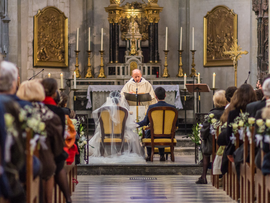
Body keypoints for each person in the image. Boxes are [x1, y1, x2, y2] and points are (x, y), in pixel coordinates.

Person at [17, 80, 65, 203]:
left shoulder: (14, 112)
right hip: (42, 164)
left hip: (15, 164)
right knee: (49, 164)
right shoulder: (50, 115)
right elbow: (58, 148)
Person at [88, 91, 144, 163]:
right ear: (120, 99)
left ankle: (104, 154)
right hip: (121, 135)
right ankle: (125, 153)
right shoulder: (124, 111)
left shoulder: (104, 110)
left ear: (110, 99)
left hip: (106, 136)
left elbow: (99, 126)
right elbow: (129, 125)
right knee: (135, 137)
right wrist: (135, 124)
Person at [41, 78, 72, 203]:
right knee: (58, 162)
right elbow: (60, 135)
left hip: (36, 149)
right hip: (50, 151)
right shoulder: (58, 111)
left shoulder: (35, 107)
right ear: (55, 93)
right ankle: (68, 198)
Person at [137, 87, 178, 161]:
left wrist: (135, 124)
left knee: (149, 132)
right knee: (158, 131)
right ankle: (162, 155)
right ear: (165, 95)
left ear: (155, 96)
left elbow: (145, 122)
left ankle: (149, 155)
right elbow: (176, 124)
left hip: (154, 137)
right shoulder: (172, 108)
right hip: (168, 136)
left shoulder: (152, 107)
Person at [196, 90, 227, 184]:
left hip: (211, 145)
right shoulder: (227, 113)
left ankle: (204, 176)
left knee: (206, 154)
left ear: (215, 102)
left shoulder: (211, 115)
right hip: (223, 144)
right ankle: (221, 176)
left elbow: (205, 129)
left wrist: (203, 137)